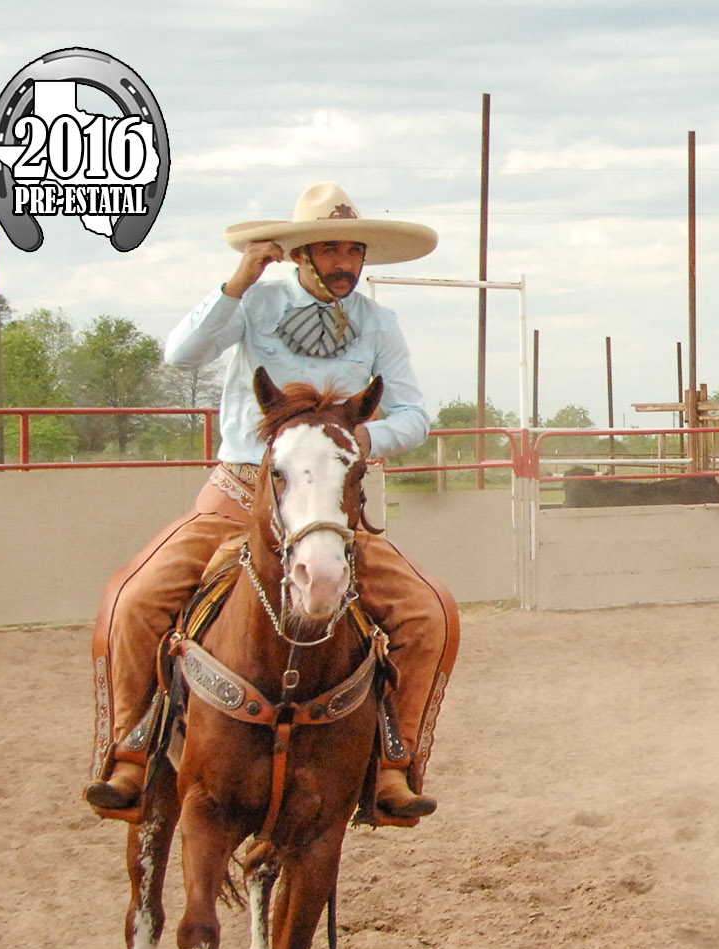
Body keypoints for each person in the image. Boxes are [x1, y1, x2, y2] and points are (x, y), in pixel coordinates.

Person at [84, 182, 459, 824]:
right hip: (239, 498)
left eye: (354, 250)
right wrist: (237, 281)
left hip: (330, 511)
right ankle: (131, 751)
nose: (345, 262)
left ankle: (393, 765)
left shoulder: (379, 324)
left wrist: (359, 440)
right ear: (298, 254)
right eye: (330, 249)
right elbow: (182, 355)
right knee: (134, 600)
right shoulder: (254, 302)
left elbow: (415, 414)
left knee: (431, 614)